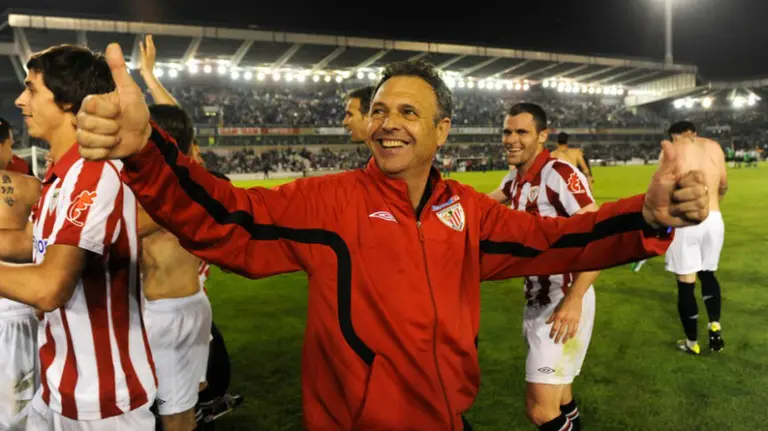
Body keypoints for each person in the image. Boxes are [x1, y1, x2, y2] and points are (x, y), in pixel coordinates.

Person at [76, 44, 710, 430]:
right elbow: (228, 220)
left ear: (441, 132)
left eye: (409, 111)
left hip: (445, 418)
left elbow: (556, 242)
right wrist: (147, 154)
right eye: (379, 109)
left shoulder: (467, 212)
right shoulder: (329, 202)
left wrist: (647, 219)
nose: (388, 123)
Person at [0, 44, 156, 429]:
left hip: (102, 401)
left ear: (68, 101)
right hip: (57, 386)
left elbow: (51, 286)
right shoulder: (59, 177)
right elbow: (30, 243)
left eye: (32, 89)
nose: (21, 100)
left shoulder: (93, 173)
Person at [489, 103, 598, 431]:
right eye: (508, 131)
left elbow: (597, 236)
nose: (512, 139)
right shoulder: (517, 178)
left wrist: (574, 298)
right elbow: (484, 204)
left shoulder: (559, 174)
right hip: (538, 299)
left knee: (540, 410)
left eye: (522, 132)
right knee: (562, 397)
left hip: (562, 301)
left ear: (542, 136)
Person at [137, 34, 213, 431]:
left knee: (174, 415)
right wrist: (148, 75)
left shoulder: (160, 196)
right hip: (185, 305)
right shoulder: (182, 175)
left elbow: (114, 234)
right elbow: (176, 121)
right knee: (174, 407)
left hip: (168, 316)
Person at [663, 121, 727, 355]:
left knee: (686, 283)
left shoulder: (673, 149)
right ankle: (715, 327)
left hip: (686, 222)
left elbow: (664, 189)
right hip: (714, 219)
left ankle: (692, 343)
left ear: (674, 136)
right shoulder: (714, 146)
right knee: (708, 274)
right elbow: (723, 185)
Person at [0, 169, 41, 429]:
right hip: (16, 303)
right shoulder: (29, 185)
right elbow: (38, 244)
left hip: (16, 304)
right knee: (21, 417)